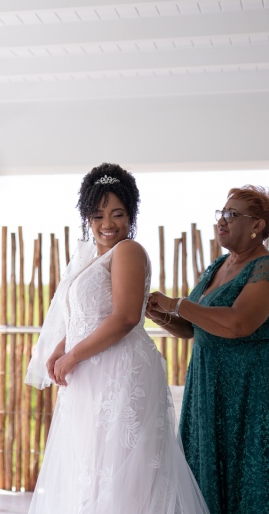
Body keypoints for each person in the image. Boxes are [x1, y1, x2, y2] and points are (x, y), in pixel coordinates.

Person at [25, 163, 209, 514]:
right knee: (91, 471)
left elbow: (125, 317)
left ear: (131, 214)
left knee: (123, 474)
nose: (107, 224)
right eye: (97, 215)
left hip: (120, 371)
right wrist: (62, 347)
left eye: (117, 214)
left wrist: (73, 355)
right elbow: (84, 314)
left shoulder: (128, 251)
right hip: (91, 374)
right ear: (86, 217)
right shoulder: (90, 258)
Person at [147, 185, 269, 514]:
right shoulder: (215, 267)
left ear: (257, 225)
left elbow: (238, 324)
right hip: (210, 386)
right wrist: (162, 317)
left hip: (255, 387)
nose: (222, 220)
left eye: (233, 214)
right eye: (222, 213)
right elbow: (192, 329)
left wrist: (177, 303)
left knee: (262, 473)